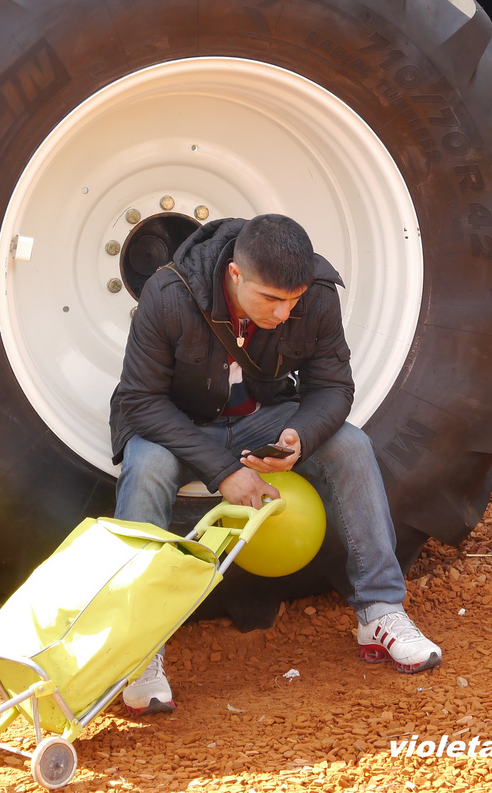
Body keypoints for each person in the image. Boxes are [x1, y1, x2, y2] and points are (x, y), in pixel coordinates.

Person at [110, 214, 441, 716]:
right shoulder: (168, 293)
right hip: (176, 425)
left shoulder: (318, 294)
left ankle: (380, 611)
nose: (285, 313)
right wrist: (224, 470)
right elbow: (140, 402)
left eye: (294, 299)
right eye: (271, 299)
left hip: (260, 417)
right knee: (146, 468)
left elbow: (333, 387)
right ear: (235, 276)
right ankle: (137, 649)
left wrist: (300, 436)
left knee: (349, 445)